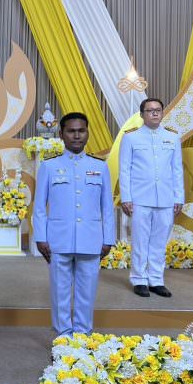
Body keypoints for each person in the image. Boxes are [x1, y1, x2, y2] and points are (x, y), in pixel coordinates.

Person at [34, 112, 115, 336]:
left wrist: (108, 239)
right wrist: (41, 237)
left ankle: (82, 336)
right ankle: (63, 337)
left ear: (88, 133)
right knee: (60, 292)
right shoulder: (49, 167)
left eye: (81, 131)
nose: (76, 136)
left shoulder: (100, 167)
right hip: (58, 240)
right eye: (71, 131)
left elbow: (107, 207)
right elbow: (40, 206)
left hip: (91, 240)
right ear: (61, 134)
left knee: (87, 292)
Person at [119, 98, 184, 298]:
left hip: (165, 198)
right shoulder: (131, 138)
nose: (155, 113)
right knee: (140, 240)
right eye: (150, 111)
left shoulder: (172, 138)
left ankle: (156, 280)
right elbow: (125, 170)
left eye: (158, 110)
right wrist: (126, 197)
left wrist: (178, 197)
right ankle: (139, 279)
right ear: (141, 115)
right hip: (140, 198)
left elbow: (177, 170)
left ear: (163, 113)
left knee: (159, 241)